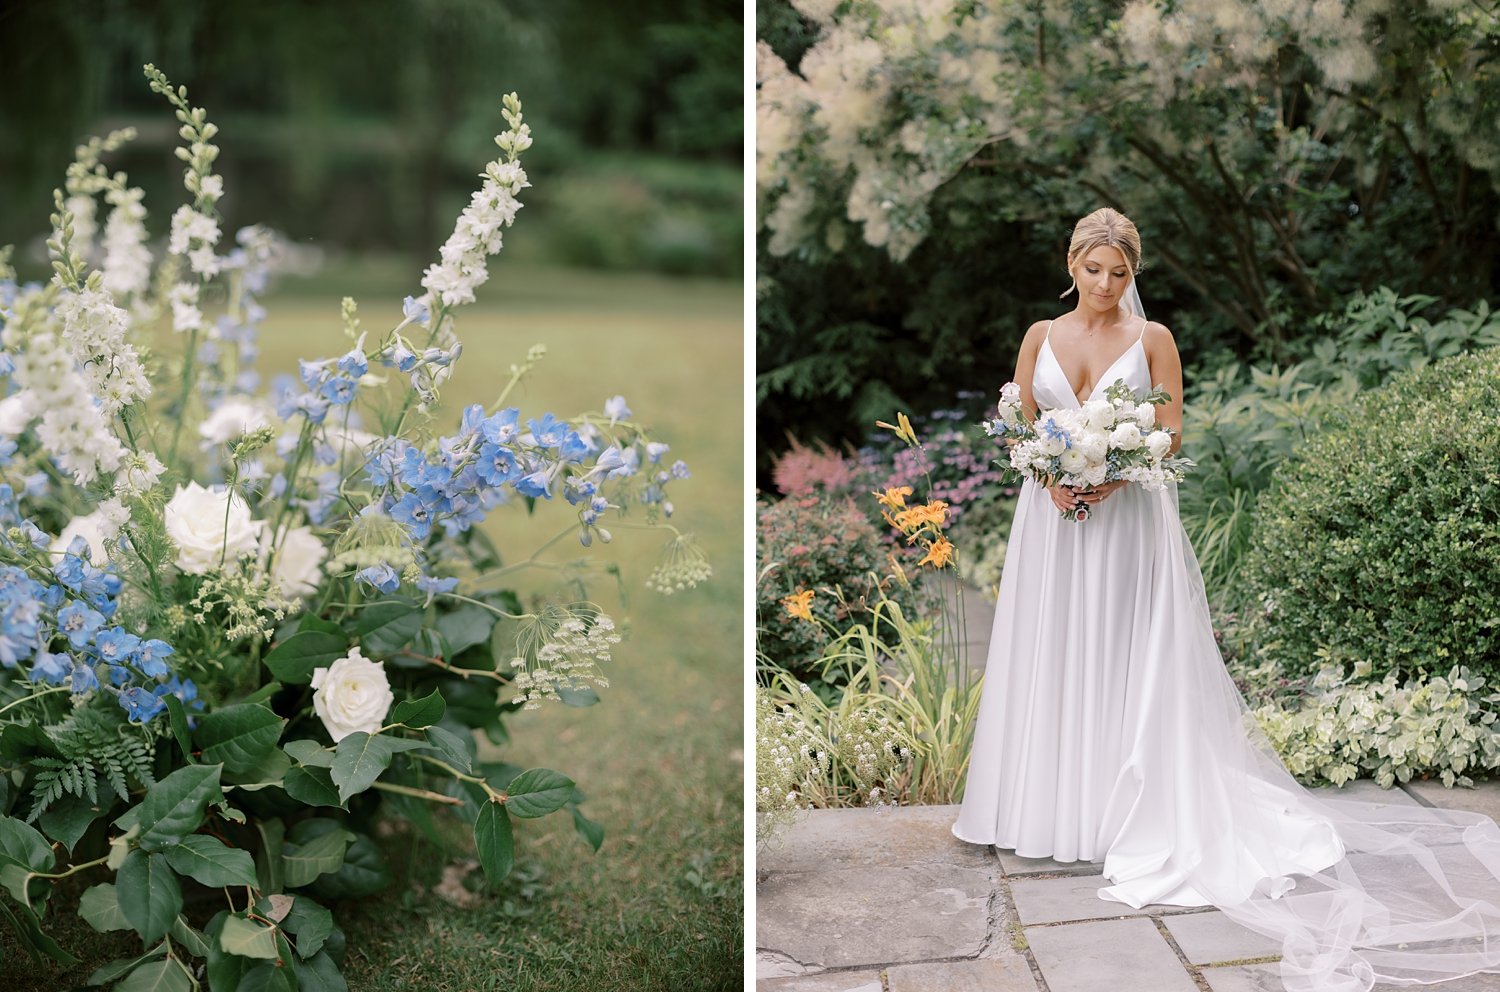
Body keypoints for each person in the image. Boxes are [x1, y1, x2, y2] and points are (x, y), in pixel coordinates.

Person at [951, 207, 1500, 992]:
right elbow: (1021, 424)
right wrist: (1050, 476)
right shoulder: (1039, 335)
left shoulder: (1154, 341)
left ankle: (1119, 813)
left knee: (1119, 653)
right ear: (1069, 263)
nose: (1105, 286)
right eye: (1093, 269)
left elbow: (1171, 432)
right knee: (1053, 650)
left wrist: (1112, 469)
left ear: (1132, 276)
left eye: (1120, 273)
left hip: (1126, 519)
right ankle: (1045, 810)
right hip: (1049, 525)